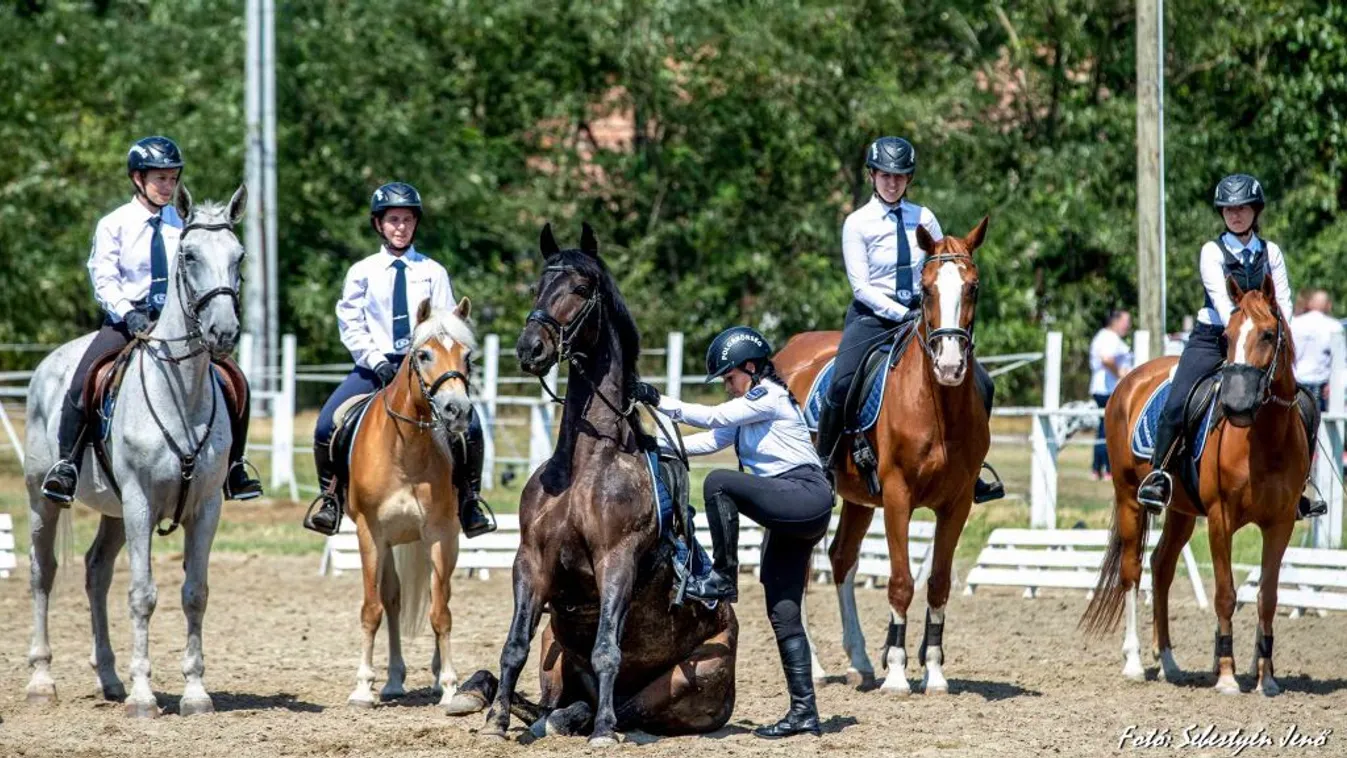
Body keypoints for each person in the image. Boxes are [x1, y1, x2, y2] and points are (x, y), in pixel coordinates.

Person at [631, 327, 831, 739]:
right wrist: (655, 447)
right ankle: (804, 713)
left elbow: (717, 417)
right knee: (783, 610)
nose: (726, 386)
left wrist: (658, 400)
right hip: (788, 509)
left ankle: (722, 573)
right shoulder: (749, 408)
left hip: (804, 495)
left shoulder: (768, 396)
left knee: (719, 483)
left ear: (751, 369)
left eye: (729, 377)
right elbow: (712, 438)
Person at [41, 136, 261, 504]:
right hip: (127, 320)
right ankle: (67, 465)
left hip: (179, 324)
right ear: (138, 179)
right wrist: (129, 312)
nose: (167, 186)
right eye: (160, 178)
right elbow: (104, 277)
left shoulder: (185, 225)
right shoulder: (115, 224)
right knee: (85, 378)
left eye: (173, 179)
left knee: (235, 381)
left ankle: (234, 467)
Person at [813, 136, 1002, 502]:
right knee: (842, 383)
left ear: (909, 179)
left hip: (922, 318)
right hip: (872, 317)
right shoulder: (857, 223)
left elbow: (941, 268)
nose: (892, 182)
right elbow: (860, 287)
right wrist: (901, 312)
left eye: (900, 176)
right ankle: (824, 461)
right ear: (872, 175)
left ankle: (972, 469)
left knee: (984, 383)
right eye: (885, 175)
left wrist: (929, 312)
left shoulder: (924, 217)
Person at [302, 182, 494, 538]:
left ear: (415, 224)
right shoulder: (362, 271)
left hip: (425, 370)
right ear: (379, 224)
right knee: (327, 423)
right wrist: (375, 361)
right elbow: (351, 322)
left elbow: (448, 325)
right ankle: (330, 498)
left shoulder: (433, 272)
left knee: (470, 427)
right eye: (393, 220)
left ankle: (469, 500)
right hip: (374, 366)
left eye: (407, 220)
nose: (401, 227)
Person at [1137, 174, 1312, 512]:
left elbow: (1284, 300)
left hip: (1261, 342)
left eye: (1242, 208)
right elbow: (1223, 302)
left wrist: (1277, 334)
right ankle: (1159, 475)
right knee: (1178, 401)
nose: (1235, 215)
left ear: (1255, 211)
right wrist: (1246, 327)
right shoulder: (1211, 251)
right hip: (1214, 338)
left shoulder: (1270, 251)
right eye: (1229, 209)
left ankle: (1302, 484)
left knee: (1302, 402)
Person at [1088, 309, 1133, 480]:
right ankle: (1105, 468)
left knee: (1103, 428)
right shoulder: (1108, 337)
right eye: (1125, 321)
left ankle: (1098, 468)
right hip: (1106, 389)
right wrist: (1121, 374)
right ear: (1115, 321)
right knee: (1108, 429)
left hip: (1106, 388)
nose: (1128, 325)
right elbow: (1106, 359)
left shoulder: (1107, 337)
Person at [1291, 288, 1342, 410]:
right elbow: (1340, 363)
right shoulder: (1334, 326)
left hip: (1295, 383)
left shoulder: (1294, 323)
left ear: (1310, 304)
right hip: (1320, 387)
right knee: (1320, 426)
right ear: (1328, 305)